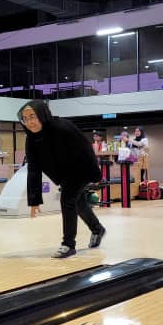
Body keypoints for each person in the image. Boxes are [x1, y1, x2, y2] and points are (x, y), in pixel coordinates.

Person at [20, 100, 106, 258]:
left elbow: (86, 149)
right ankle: (97, 229)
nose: (29, 122)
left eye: (32, 116)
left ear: (42, 114)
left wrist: (96, 175)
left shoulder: (62, 127)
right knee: (78, 203)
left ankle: (68, 245)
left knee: (67, 200)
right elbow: (33, 168)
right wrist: (34, 199)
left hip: (80, 169)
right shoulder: (31, 138)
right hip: (63, 175)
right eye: (25, 119)